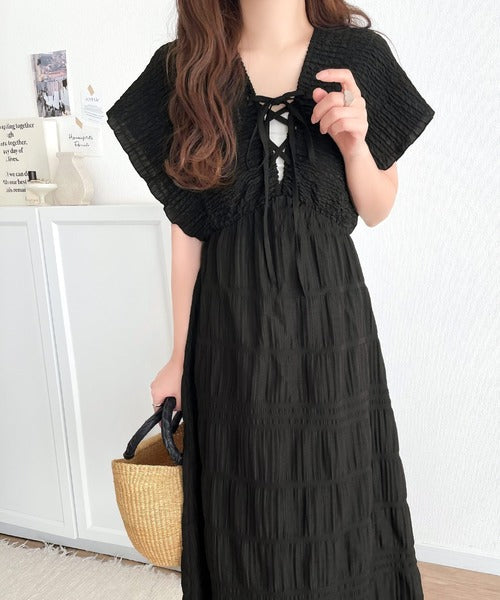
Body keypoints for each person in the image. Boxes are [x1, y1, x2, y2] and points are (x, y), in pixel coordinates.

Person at [106, 1, 435, 597]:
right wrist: (178, 356)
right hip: (231, 329)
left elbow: (378, 207)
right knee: (247, 502)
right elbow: (187, 233)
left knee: (342, 491)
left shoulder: (359, 57)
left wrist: (355, 144)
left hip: (332, 324)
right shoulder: (185, 71)